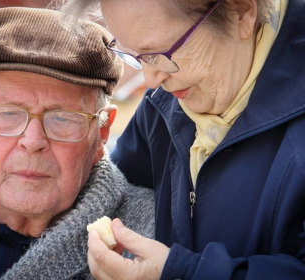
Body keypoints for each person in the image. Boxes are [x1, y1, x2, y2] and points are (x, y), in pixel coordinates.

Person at [60, 0, 305, 279]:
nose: (151, 80)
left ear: (241, 12)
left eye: (163, 52)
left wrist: (182, 273)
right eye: (138, 56)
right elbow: (118, 184)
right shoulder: (163, 104)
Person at [0, 7, 155, 280]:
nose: (33, 142)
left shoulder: (155, 238)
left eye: (63, 118)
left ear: (102, 133)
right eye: (8, 113)